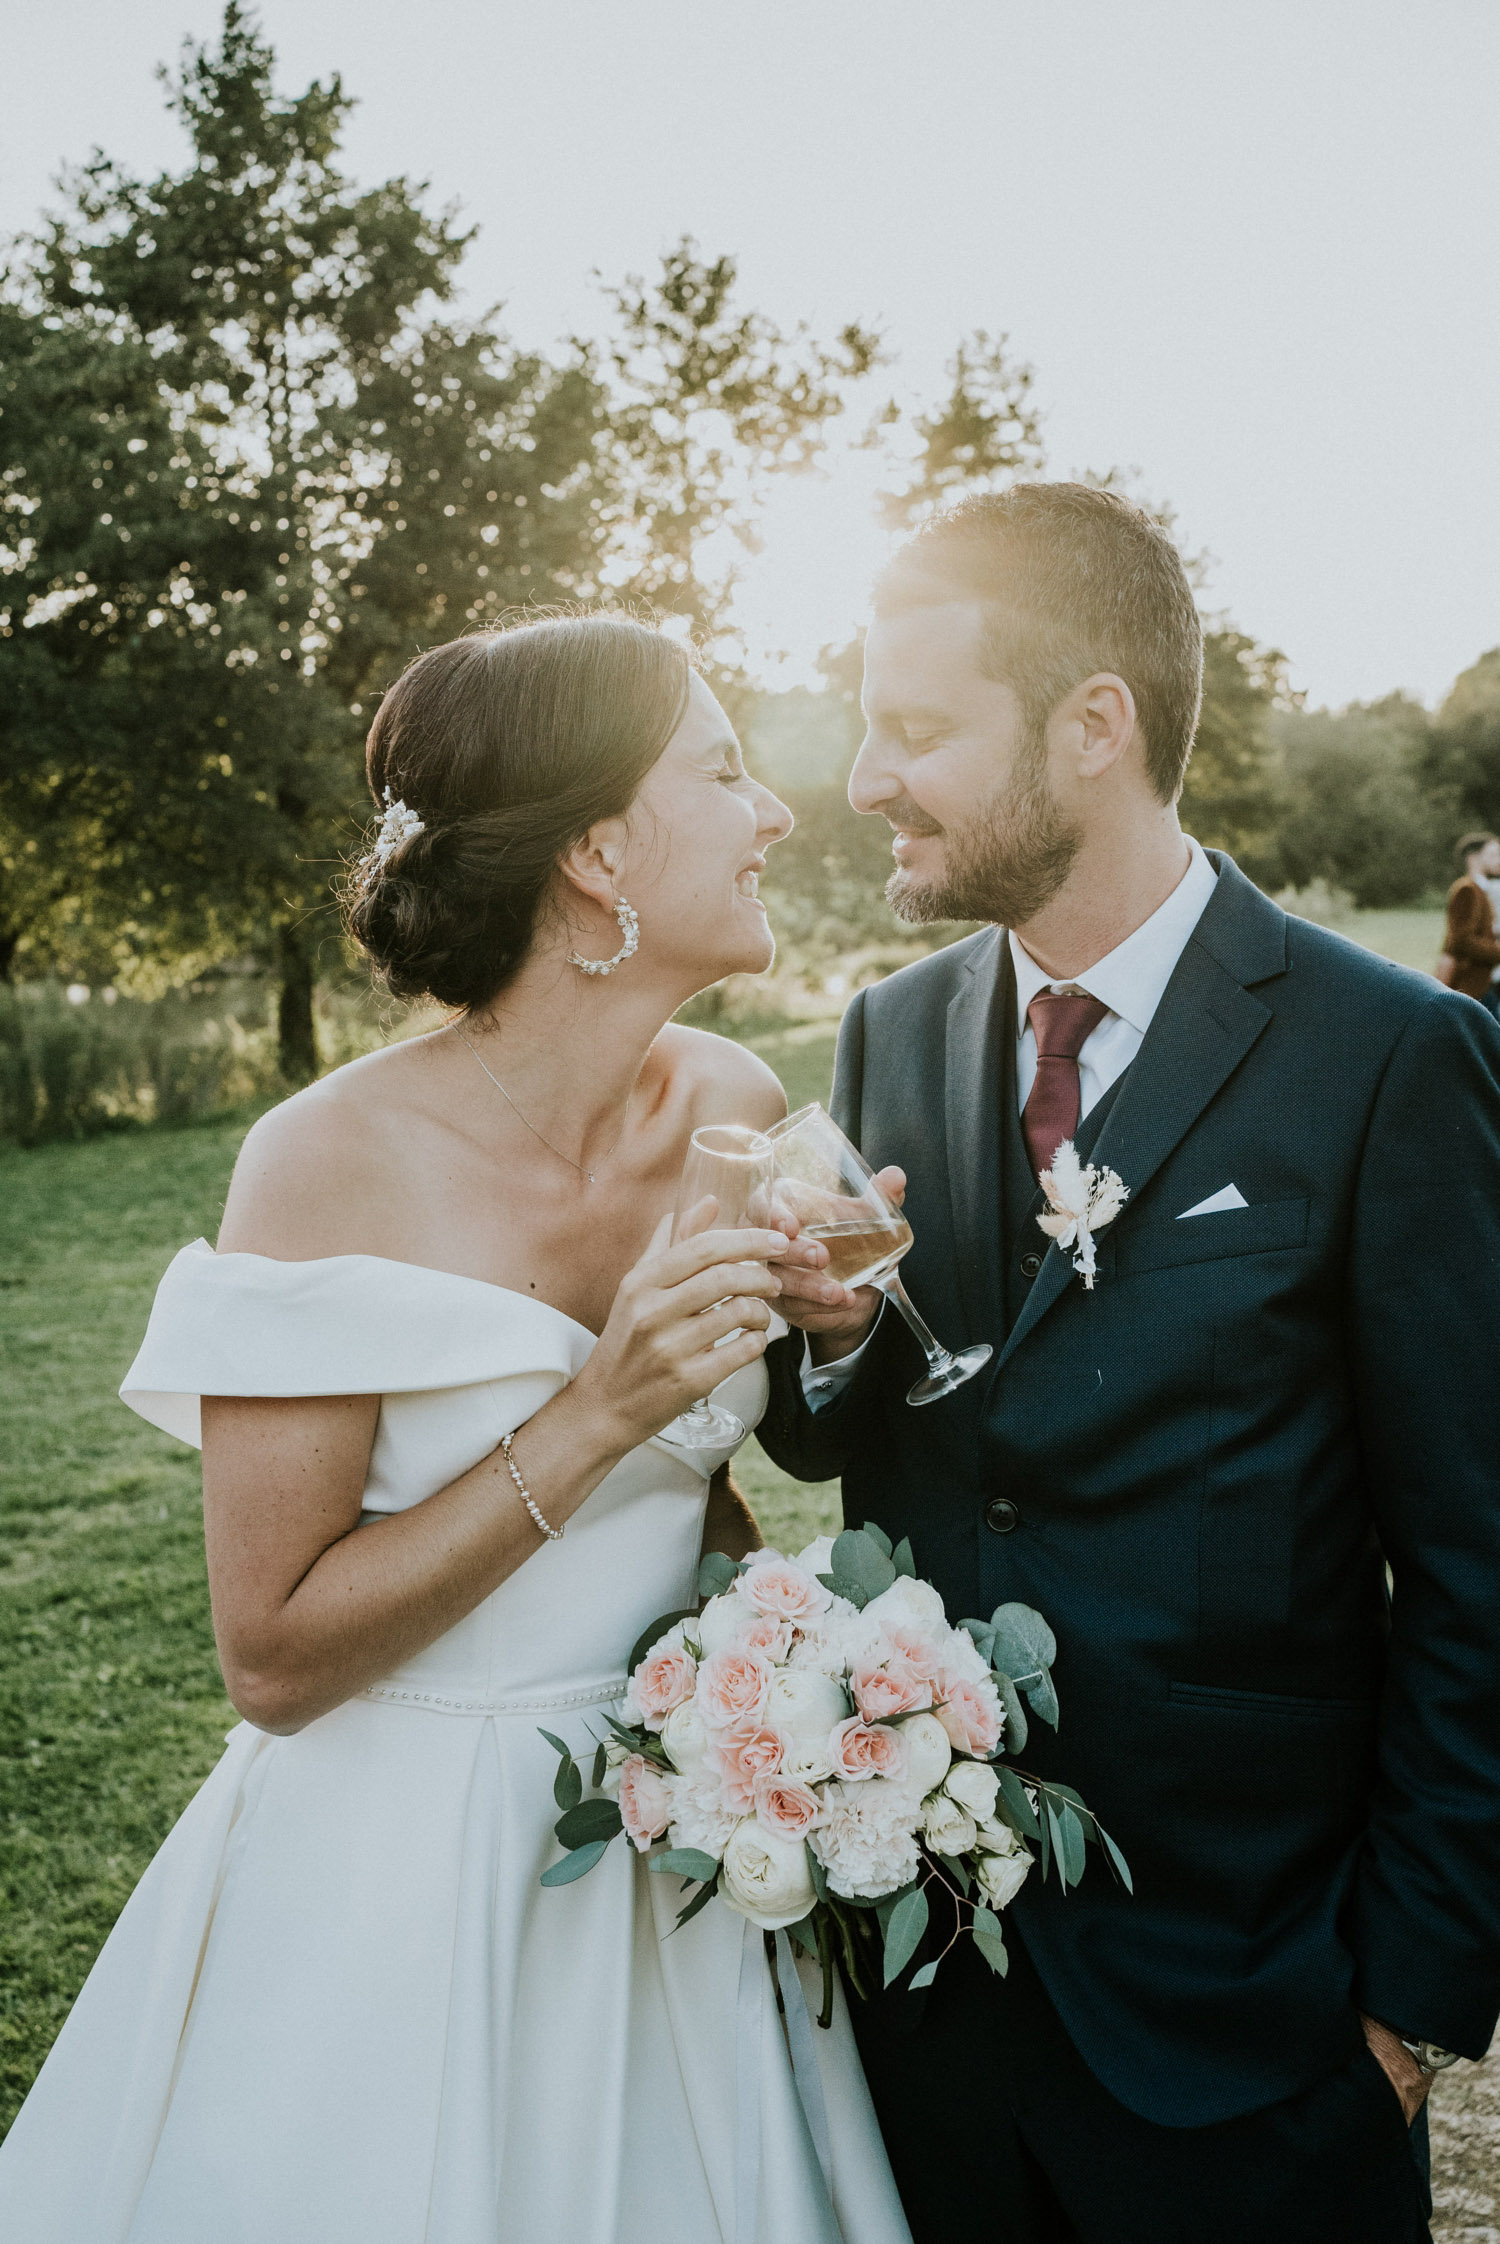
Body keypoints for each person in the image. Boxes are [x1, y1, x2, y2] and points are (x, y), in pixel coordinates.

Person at [0, 614, 913, 2244]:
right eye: (723, 767)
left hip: (672, 1853)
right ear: (595, 848)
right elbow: (271, 1654)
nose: (775, 810)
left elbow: (710, 1497)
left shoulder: (735, 1106)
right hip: (400, 1881)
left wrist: (818, 1373)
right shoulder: (319, 1162)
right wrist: (599, 1406)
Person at [762, 485, 1500, 2244]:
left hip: (1258, 2020)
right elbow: (861, 1438)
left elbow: (1480, 1562)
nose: (866, 777)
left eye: (917, 727)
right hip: (932, 2000)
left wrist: (1410, 2007)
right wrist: (841, 1336)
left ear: (1096, 722)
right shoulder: (894, 1027)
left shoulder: (1395, 1057)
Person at [1440, 829, 1500, 1014]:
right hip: (1472, 988)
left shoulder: (1481, 890)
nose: (1498, 859)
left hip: (1484, 983)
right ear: (1473, 859)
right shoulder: (1467, 889)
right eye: (1493, 854)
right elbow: (1461, 941)